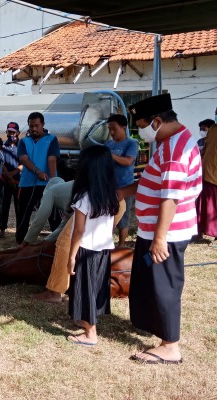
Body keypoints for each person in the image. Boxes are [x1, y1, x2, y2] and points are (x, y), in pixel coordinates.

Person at [123, 93, 202, 364]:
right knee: (148, 282)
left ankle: (170, 346)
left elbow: (170, 196)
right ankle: (154, 326)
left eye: (142, 125)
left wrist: (160, 239)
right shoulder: (171, 142)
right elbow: (152, 182)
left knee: (164, 286)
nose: (141, 132)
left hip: (167, 232)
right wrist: (124, 192)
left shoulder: (174, 151)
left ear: (157, 121)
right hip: (153, 230)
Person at [66, 145, 120, 346]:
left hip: (85, 249)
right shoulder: (111, 195)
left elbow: (79, 231)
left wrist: (71, 256)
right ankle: (88, 320)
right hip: (103, 249)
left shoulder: (83, 198)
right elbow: (112, 224)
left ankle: (90, 334)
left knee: (84, 289)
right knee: (96, 287)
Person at [16, 111, 60, 244]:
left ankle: (57, 240)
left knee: (52, 213)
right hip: (27, 183)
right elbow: (23, 159)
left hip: (47, 184)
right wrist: (37, 171)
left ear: (43, 124)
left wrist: (52, 181)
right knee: (23, 214)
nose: (34, 129)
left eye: (36, 125)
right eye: (31, 126)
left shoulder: (52, 139)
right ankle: (20, 242)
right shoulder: (24, 141)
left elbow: (52, 159)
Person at [104, 114, 139, 247]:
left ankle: (121, 245)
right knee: (108, 216)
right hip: (108, 186)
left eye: (114, 129)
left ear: (124, 127)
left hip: (125, 187)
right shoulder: (108, 144)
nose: (111, 132)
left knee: (123, 217)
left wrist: (110, 155)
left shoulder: (131, 143)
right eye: (109, 129)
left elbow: (129, 161)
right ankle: (107, 243)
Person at [0, 122, 22, 240]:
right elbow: (2, 163)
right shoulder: (2, 147)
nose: (10, 134)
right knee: (4, 206)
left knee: (19, 207)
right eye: (8, 132)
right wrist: (9, 177)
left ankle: (20, 231)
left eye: (13, 132)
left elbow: (24, 162)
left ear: (18, 133)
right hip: (6, 181)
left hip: (20, 182)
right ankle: (2, 230)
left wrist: (14, 174)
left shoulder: (22, 146)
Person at [196, 123, 217, 244]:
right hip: (205, 173)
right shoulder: (213, 128)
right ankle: (199, 231)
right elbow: (205, 148)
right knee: (203, 205)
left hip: (214, 176)